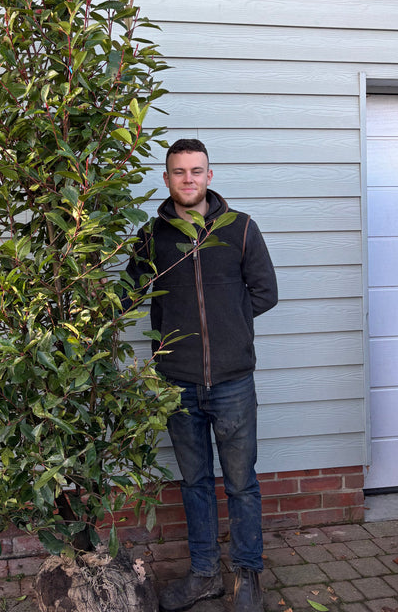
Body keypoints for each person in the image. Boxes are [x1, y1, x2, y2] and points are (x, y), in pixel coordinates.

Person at [125, 139, 278, 612]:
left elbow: (265, 292)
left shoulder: (241, 229)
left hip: (233, 381)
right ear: (166, 178)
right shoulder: (153, 236)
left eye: (196, 170)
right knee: (194, 482)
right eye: (178, 172)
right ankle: (205, 574)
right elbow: (129, 294)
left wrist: (228, 328)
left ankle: (248, 576)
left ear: (210, 175)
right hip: (178, 382)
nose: (187, 179)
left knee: (240, 483)